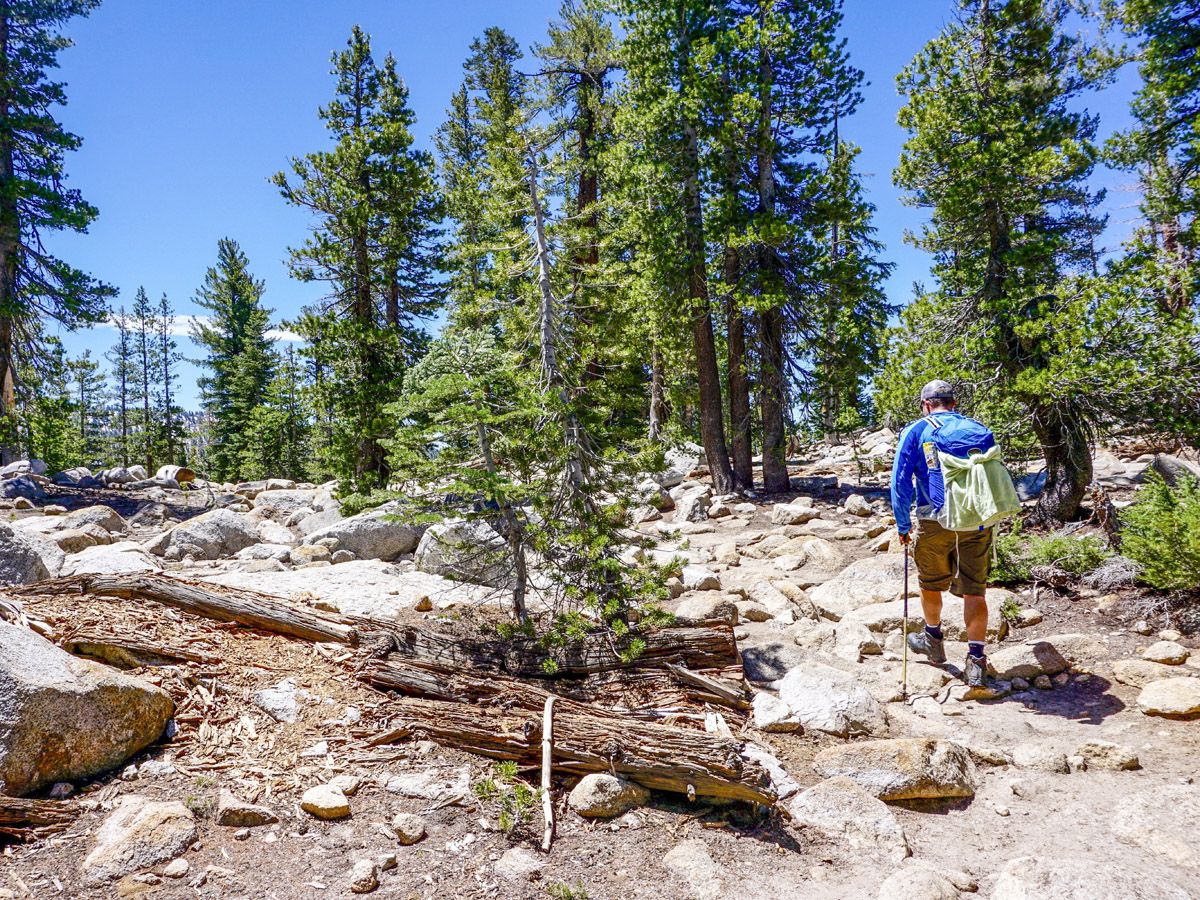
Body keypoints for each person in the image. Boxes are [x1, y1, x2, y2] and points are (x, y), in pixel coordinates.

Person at [890, 380, 994, 688]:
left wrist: (902, 525)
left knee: (930, 582)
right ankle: (976, 661)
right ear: (953, 403)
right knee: (975, 589)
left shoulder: (916, 430)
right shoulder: (977, 428)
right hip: (976, 520)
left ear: (925, 405)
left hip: (934, 519)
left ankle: (933, 640)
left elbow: (900, 481)